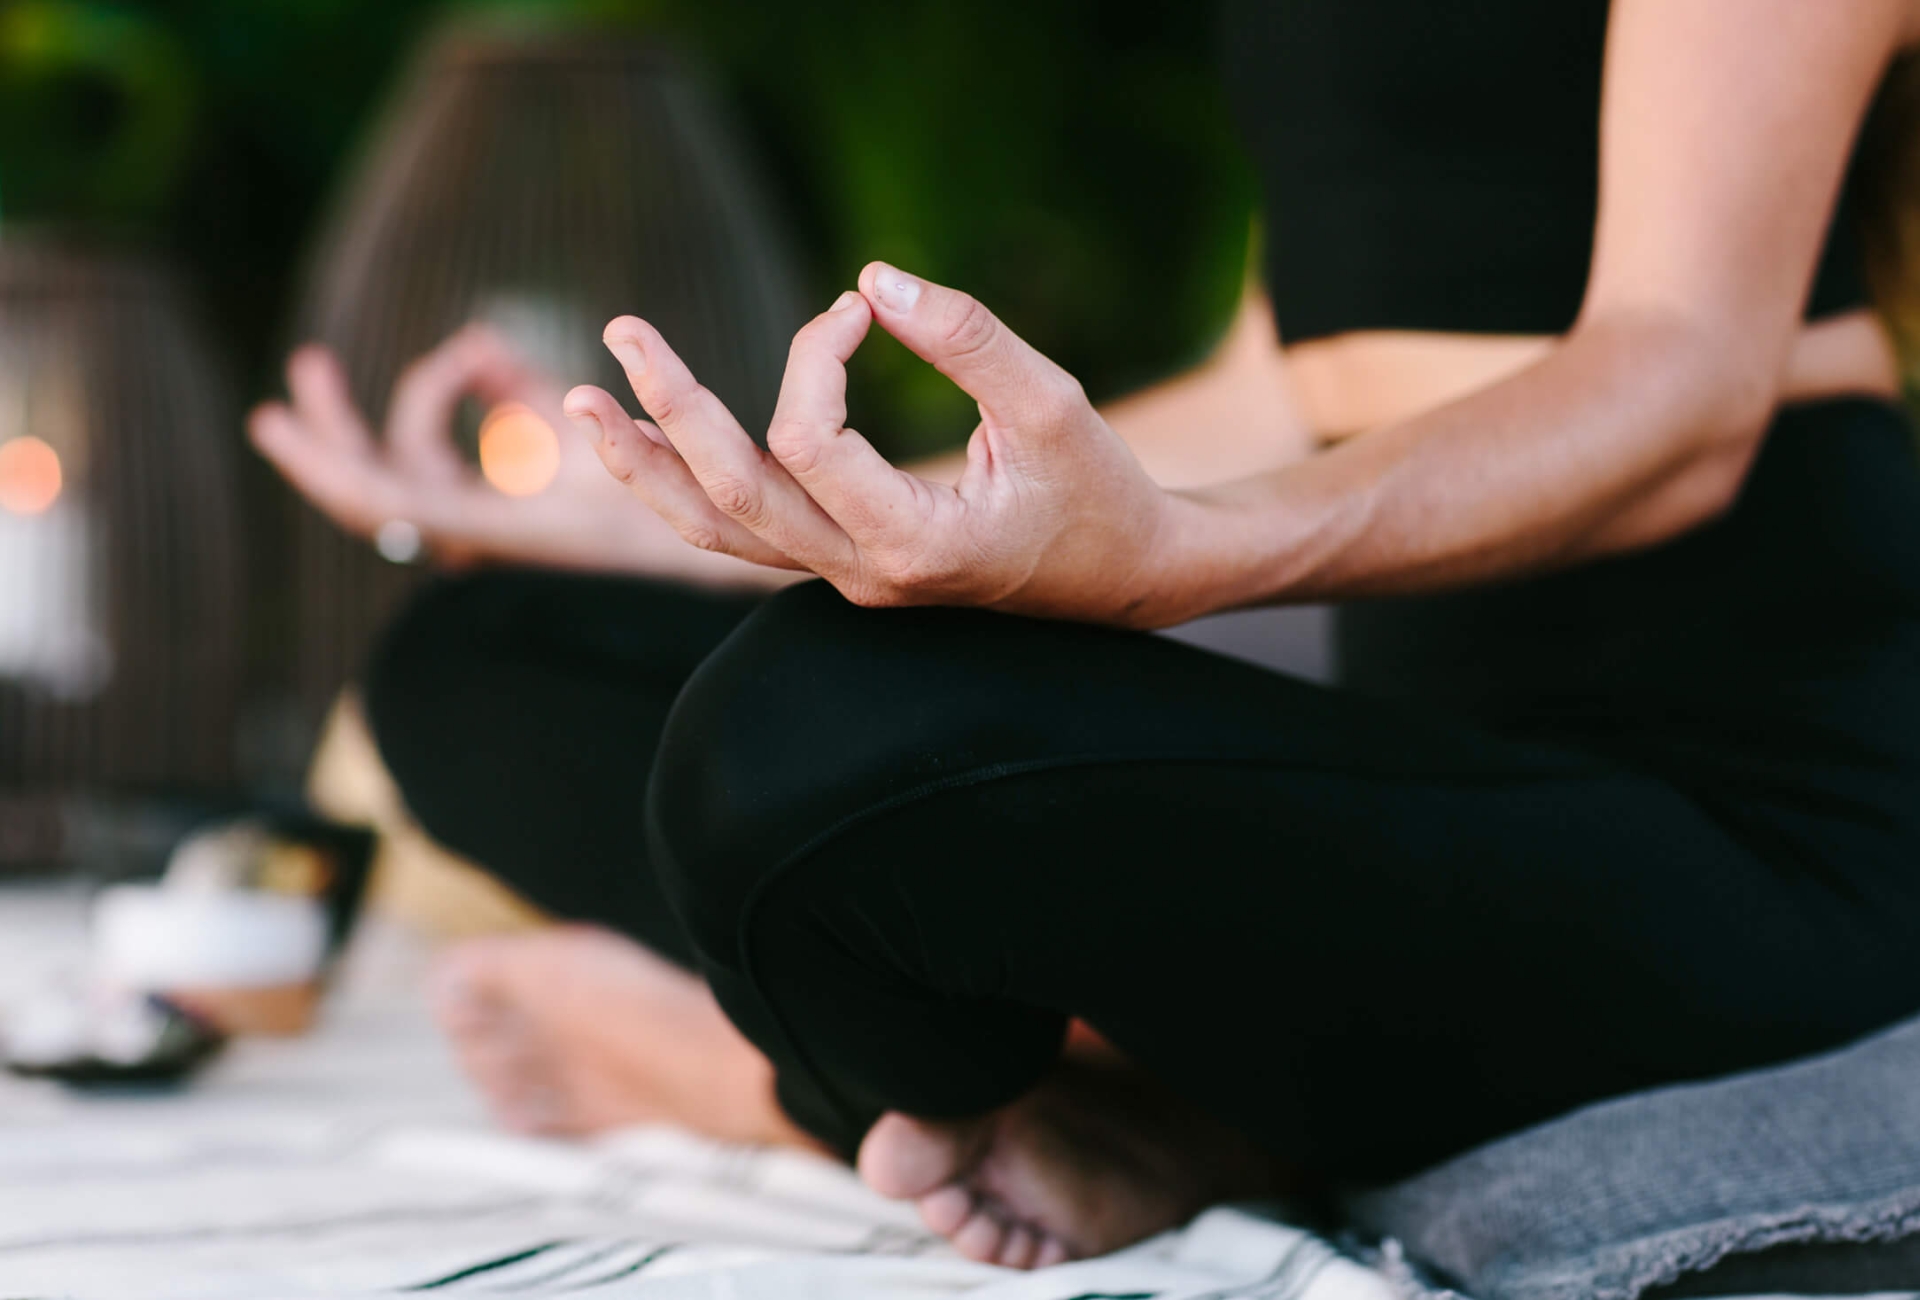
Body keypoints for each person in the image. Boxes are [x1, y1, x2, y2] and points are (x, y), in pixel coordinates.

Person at [256, 0, 1920, 1271]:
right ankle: (1125, 1100)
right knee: (480, 655)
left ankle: (796, 1092)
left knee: (809, 734)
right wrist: (705, 520)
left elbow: (1681, 381)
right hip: (1438, 771)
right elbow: (1293, 382)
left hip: (1749, 816)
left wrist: (1175, 559)